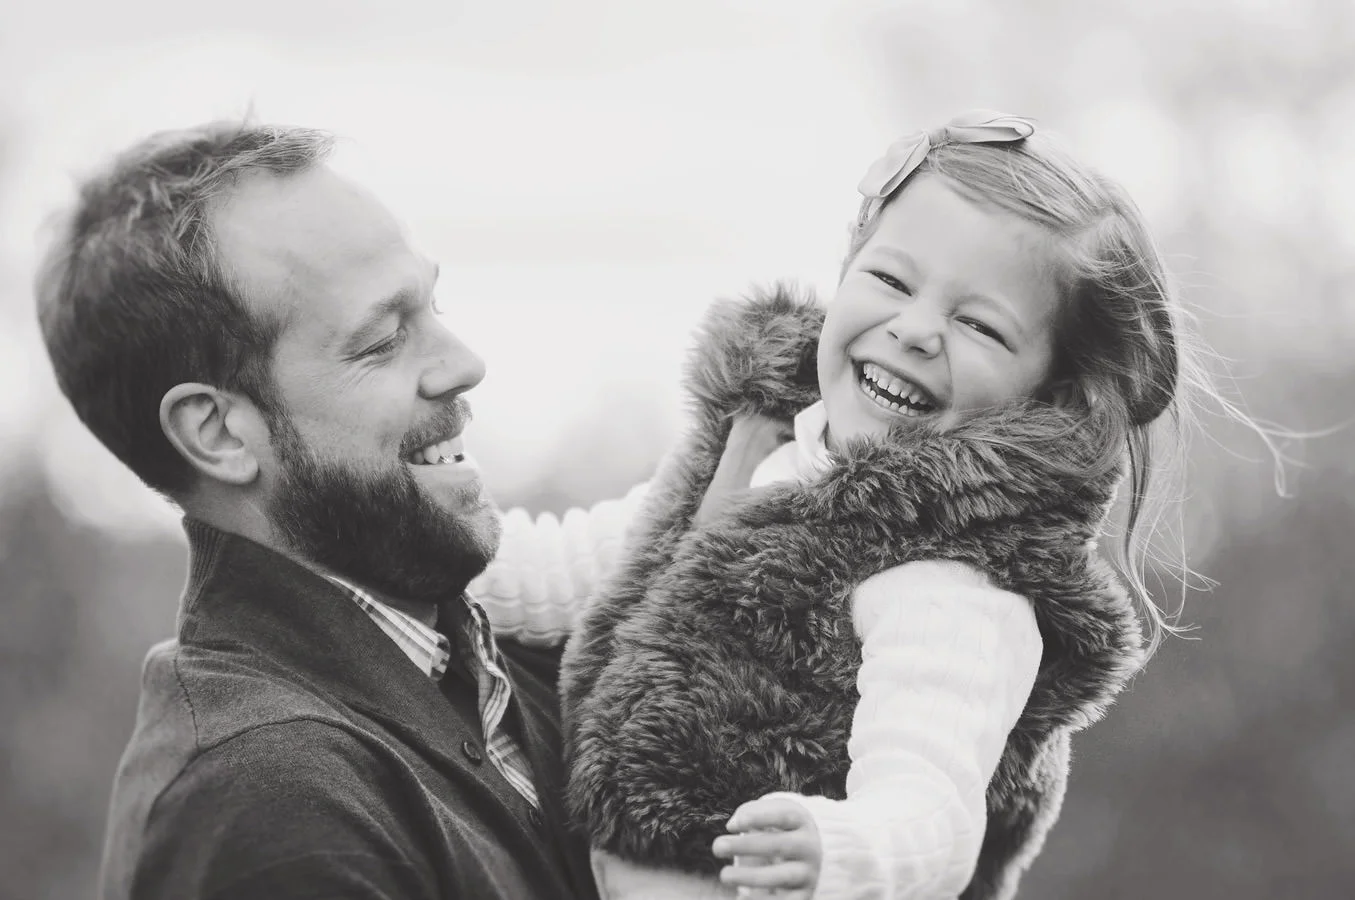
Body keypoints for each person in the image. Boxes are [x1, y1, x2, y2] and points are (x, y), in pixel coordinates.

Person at [469, 111, 1269, 900]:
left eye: (978, 325)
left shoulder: (954, 582)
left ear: (1051, 393)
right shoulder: (763, 448)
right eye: (890, 280)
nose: (914, 330)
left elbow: (930, 808)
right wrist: (430, 529)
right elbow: (563, 573)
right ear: (846, 262)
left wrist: (839, 848)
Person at [35, 120, 626, 900]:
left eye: (433, 304)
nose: (463, 364)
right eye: (381, 341)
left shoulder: (496, 656)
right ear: (218, 433)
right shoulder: (266, 808)